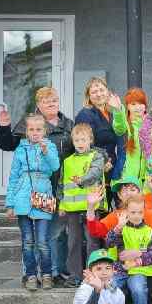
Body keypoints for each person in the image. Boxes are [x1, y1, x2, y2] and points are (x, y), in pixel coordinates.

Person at [0, 87, 74, 285]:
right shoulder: (29, 123)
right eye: (46, 101)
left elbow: (79, 149)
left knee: (54, 235)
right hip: (31, 190)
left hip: (57, 189)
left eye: (54, 100)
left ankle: (53, 273)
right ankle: (30, 274)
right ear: (38, 105)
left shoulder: (68, 125)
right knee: (31, 239)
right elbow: (8, 144)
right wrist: (4, 127)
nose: (51, 103)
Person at [5, 114, 60, 291]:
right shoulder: (20, 149)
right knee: (27, 241)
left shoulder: (49, 146)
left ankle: (47, 275)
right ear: (26, 131)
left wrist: (46, 152)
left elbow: (55, 166)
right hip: (22, 197)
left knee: (43, 240)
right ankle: (30, 275)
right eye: (31, 129)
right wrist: (10, 204)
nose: (35, 133)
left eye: (38, 129)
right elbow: (13, 177)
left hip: (43, 194)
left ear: (44, 131)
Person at [57, 123, 107, 287]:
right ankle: (75, 276)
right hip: (72, 210)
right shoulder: (68, 161)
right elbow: (62, 184)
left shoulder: (97, 156)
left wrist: (82, 180)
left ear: (90, 140)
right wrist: (61, 204)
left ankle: (92, 275)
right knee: (73, 242)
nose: (80, 143)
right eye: (77, 140)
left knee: (92, 242)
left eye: (83, 140)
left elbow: (95, 172)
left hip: (91, 208)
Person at [75, 77, 124, 183]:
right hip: (93, 168)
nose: (99, 94)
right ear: (88, 96)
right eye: (94, 92)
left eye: (102, 90)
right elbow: (83, 144)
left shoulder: (112, 112)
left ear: (107, 92)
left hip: (112, 166)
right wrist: (102, 161)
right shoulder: (85, 115)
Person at [110, 88, 148, 184]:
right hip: (124, 180)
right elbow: (119, 126)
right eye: (133, 104)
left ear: (145, 106)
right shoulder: (125, 125)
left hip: (144, 182)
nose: (137, 107)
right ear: (128, 106)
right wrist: (118, 110)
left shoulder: (149, 126)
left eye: (141, 103)